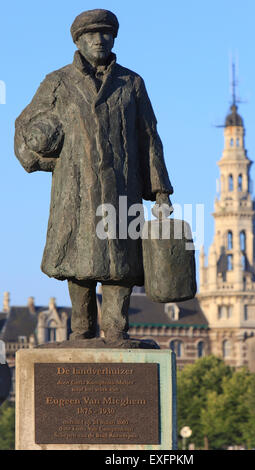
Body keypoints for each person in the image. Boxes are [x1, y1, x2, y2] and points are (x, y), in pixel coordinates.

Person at [14, 9, 173, 343]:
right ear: (78, 40)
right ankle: (81, 329)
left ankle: (116, 330)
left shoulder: (131, 83)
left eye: (106, 34)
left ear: (114, 38)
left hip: (123, 188)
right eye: (91, 35)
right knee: (78, 261)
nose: (99, 40)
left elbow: (149, 138)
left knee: (122, 264)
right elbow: (25, 124)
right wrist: (39, 158)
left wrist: (160, 192)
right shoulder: (57, 82)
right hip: (75, 190)